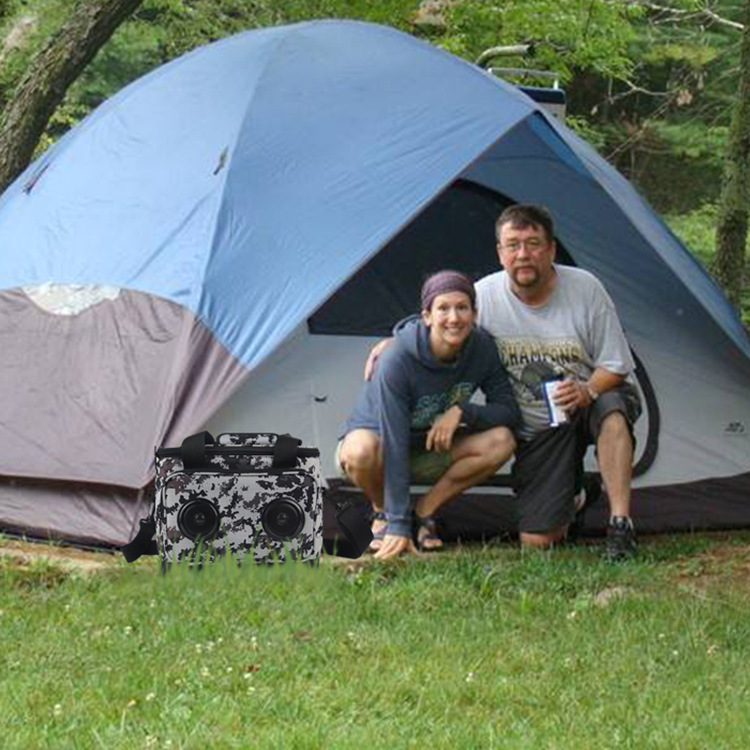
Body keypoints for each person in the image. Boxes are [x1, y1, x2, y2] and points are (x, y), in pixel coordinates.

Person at [366, 205, 642, 561]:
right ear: (500, 253)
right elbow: (444, 316)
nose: (523, 254)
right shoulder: (485, 296)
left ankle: (620, 525)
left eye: (533, 243)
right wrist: (397, 339)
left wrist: (587, 390)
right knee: (537, 540)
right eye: (513, 245)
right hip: (541, 429)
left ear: (551, 249)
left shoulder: (586, 289)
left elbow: (616, 365)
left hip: (588, 400)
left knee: (611, 408)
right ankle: (578, 495)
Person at [337, 270, 521, 560]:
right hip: (381, 450)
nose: (454, 318)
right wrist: (398, 526)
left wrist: (463, 411)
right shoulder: (397, 359)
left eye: (462, 308)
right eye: (443, 308)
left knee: (502, 441)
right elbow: (394, 442)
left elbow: (509, 412)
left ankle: (424, 512)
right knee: (359, 450)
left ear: (474, 314)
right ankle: (384, 513)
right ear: (426, 316)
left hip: (429, 447)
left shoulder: (483, 348)